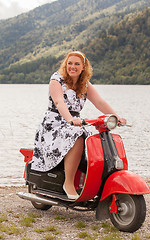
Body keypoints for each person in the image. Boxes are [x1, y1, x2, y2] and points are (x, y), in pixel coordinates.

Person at [31, 51, 126, 200]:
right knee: (78, 135)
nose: (72, 67)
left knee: (94, 139)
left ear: (83, 67)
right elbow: (59, 103)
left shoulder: (84, 84)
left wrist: (116, 116)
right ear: (65, 64)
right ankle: (68, 183)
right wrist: (70, 119)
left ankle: (91, 180)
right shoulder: (57, 79)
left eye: (77, 64)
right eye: (70, 63)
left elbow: (100, 102)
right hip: (54, 124)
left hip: (75, 123)